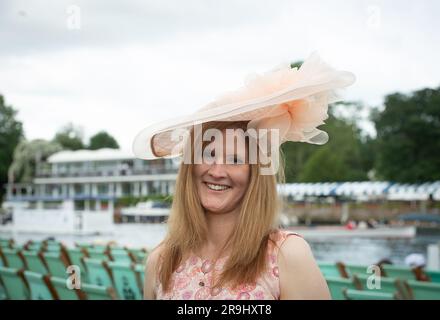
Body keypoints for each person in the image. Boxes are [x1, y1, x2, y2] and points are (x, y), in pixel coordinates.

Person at [132, 52, 355, 300]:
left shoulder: (286, 256)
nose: (216, 171)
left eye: (235, 160)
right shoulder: (161, 260)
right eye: (208, 154)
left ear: (255, 173)